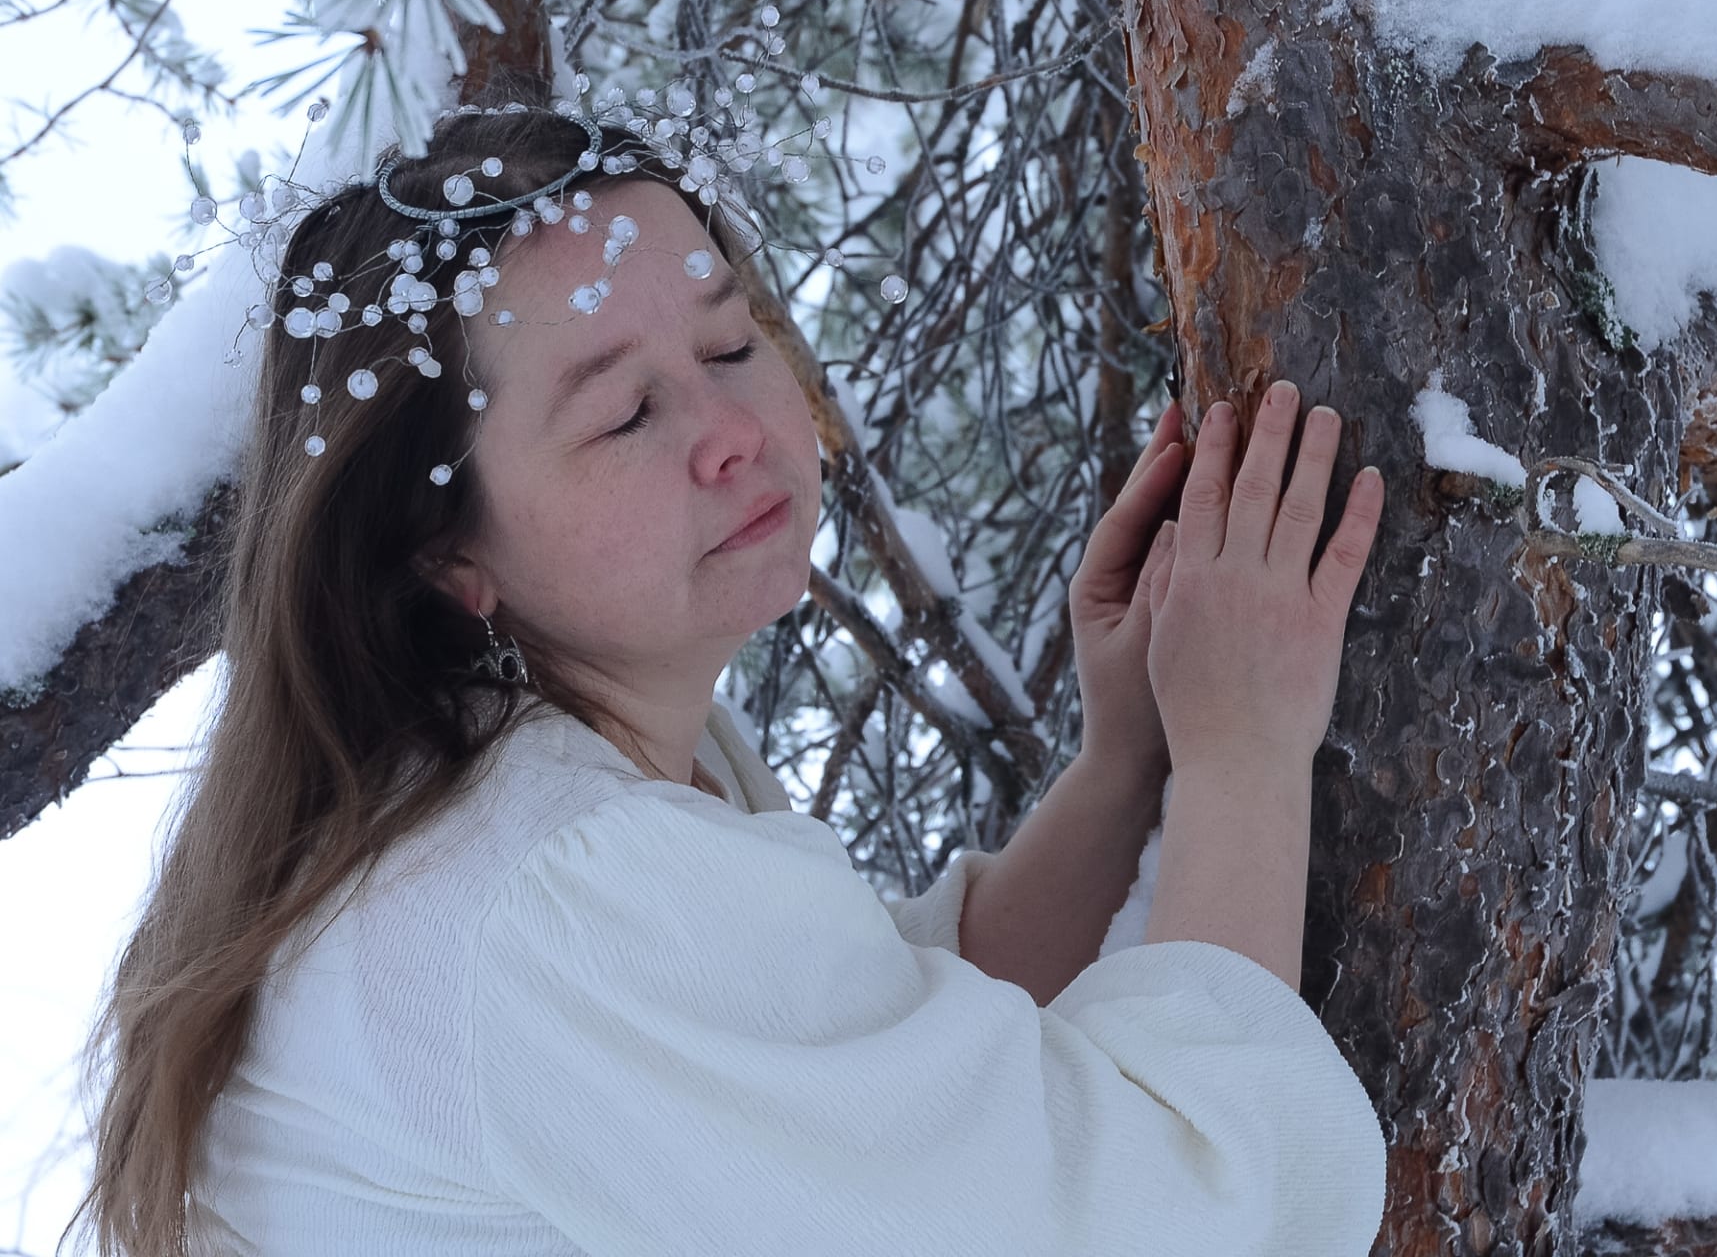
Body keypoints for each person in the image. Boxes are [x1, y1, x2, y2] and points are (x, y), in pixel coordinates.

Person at [69, 106, 1389, 1256]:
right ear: (447, 552)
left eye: (727, 345)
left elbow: (867, 1076)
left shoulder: (527, 785)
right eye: (625, 414)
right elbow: (1168, 1226)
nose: (731, 435)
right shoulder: (553, 889)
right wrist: (1246, 753)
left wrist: (1123, 767)